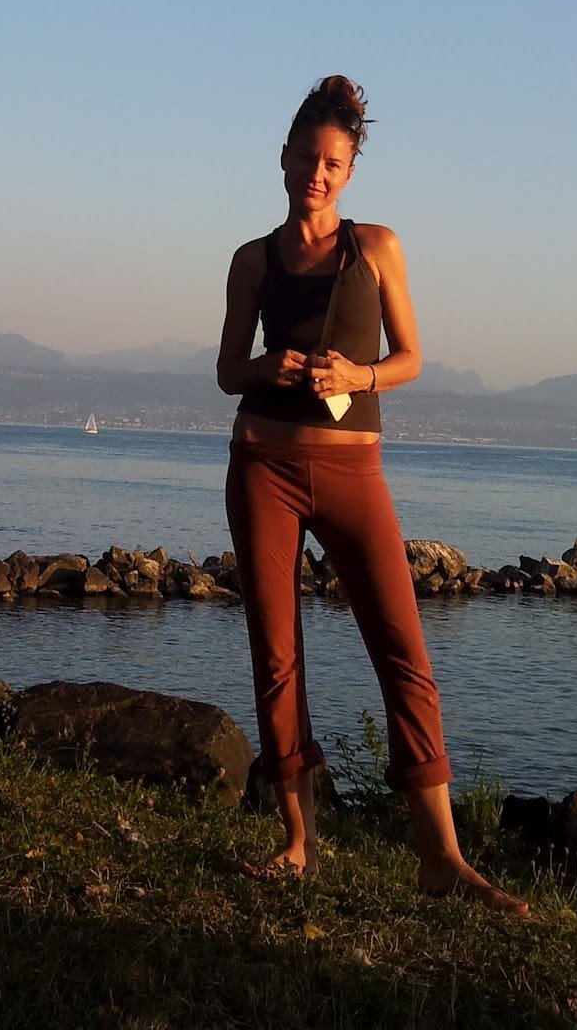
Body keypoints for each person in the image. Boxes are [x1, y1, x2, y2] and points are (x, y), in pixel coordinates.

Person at [216, 75, 527, 909]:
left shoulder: (378, 246)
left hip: (355, 472)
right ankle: (298, 842)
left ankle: (440, 860)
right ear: (283, 159)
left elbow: (412, 357)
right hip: (261, 470)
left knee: (405, 654)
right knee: (278, 661)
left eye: (333, 162)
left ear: (348, 171)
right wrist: (268, 366)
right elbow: (225, 372)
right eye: (307, 159)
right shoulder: (252, 259)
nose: (317, 173)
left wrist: (361, 372)